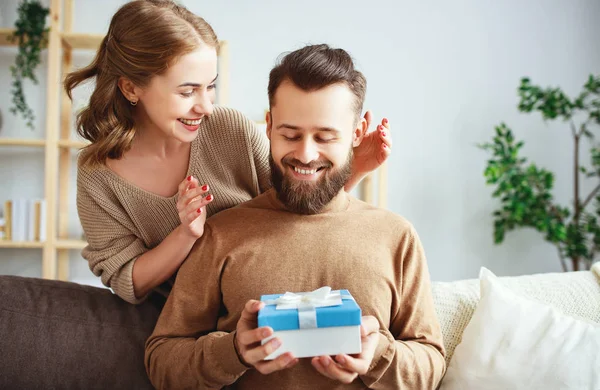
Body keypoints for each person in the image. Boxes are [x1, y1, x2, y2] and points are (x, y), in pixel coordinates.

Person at [145, 43, 445, 390]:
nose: (305, 154)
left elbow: (432, 363)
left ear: (359, 132)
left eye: (325, 136)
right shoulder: (221, 233)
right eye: (290, 134)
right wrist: (234, 351)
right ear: (269, 125)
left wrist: (376, 354)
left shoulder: (396, 237)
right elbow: (161, 361)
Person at [66, 0, 392, 307]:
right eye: (187, 90)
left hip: (268, 297)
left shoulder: (229, 128)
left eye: (210, 86)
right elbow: (127, 281)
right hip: (184, 320)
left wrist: (354, 169)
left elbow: (297, 208)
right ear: (130, 88)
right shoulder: (99, 176)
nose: (206, 106)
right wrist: (186, 234)